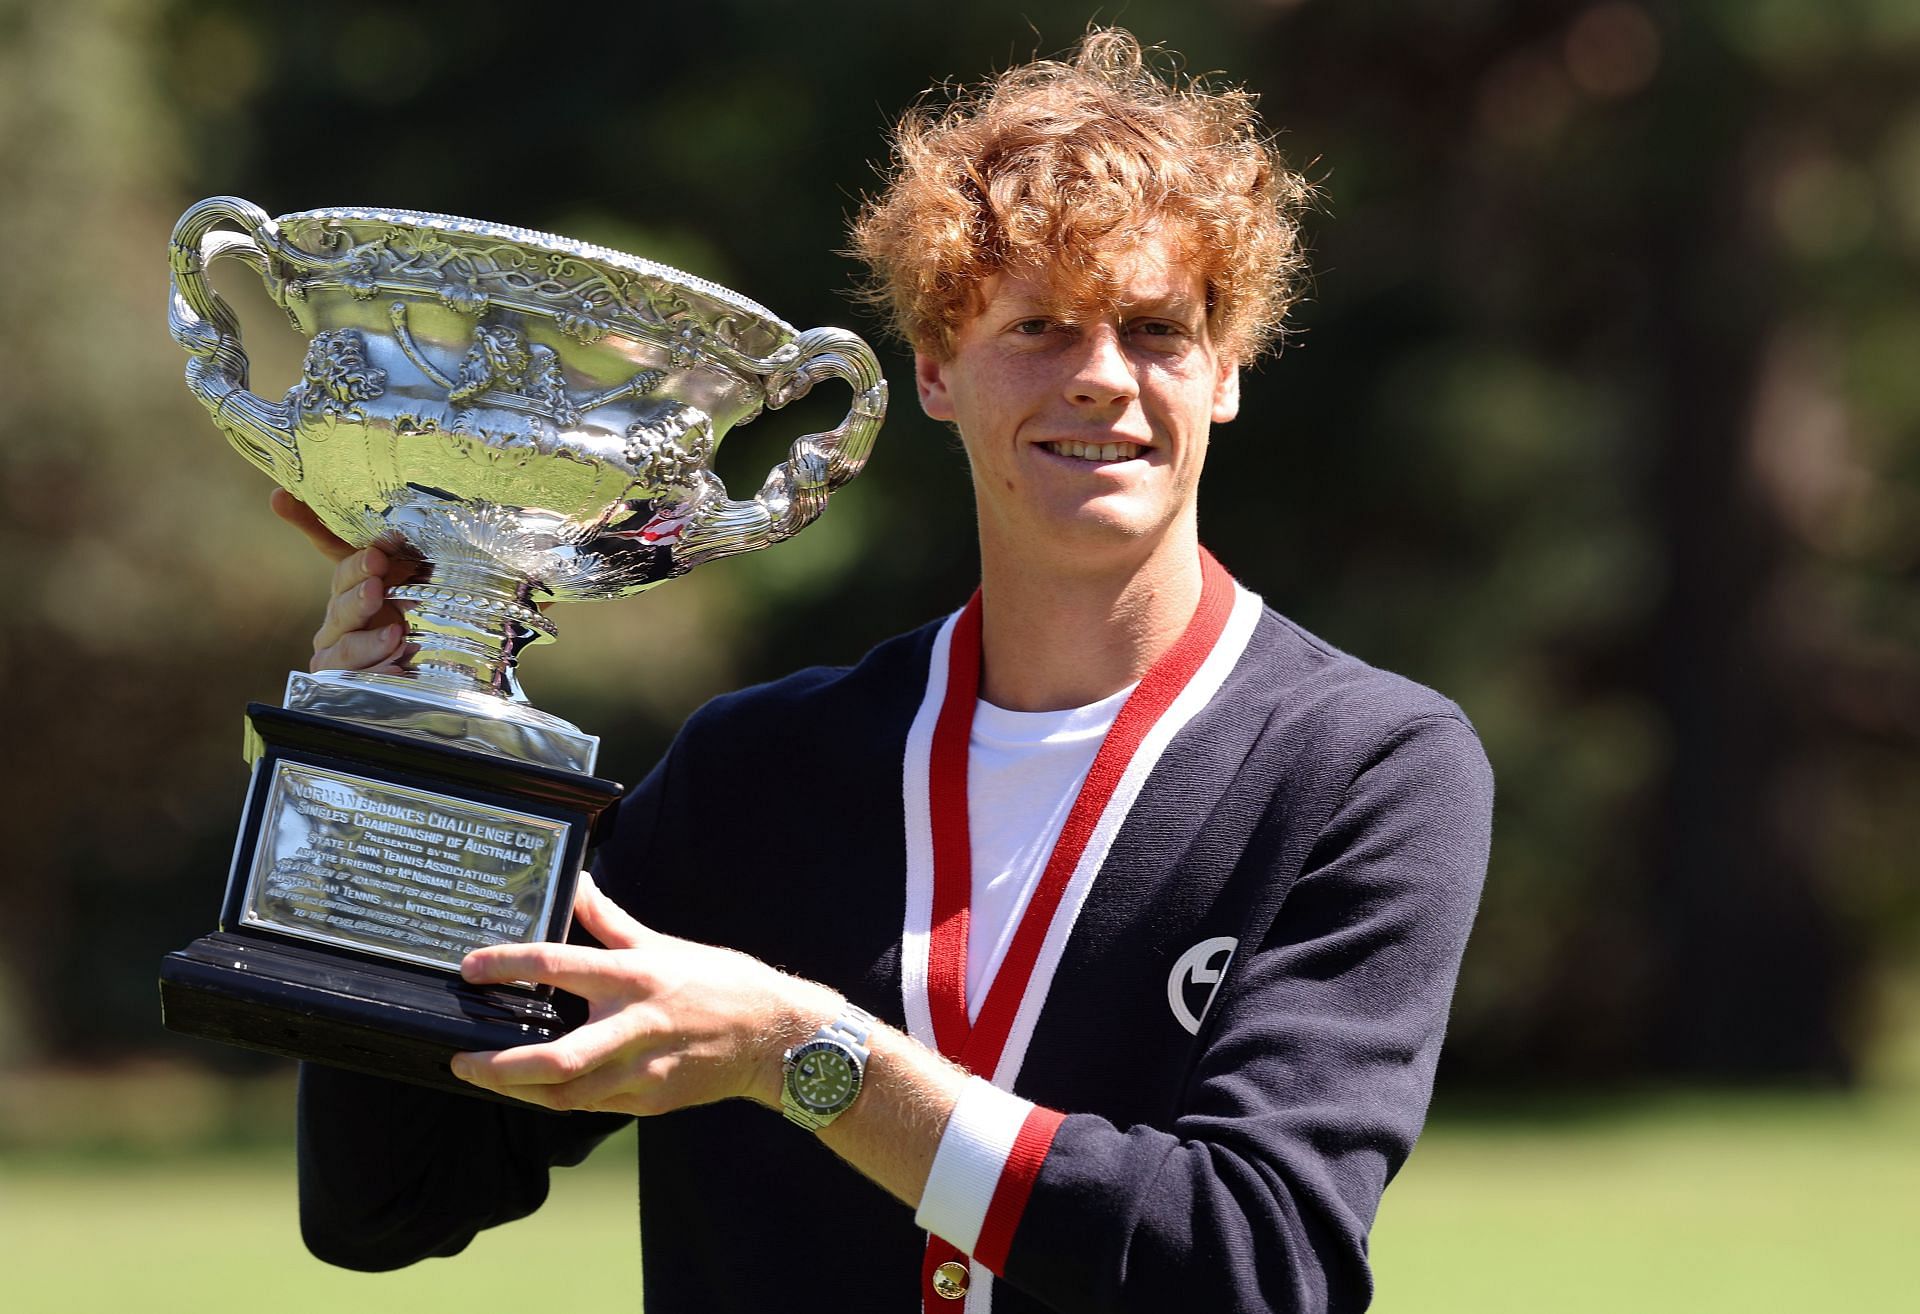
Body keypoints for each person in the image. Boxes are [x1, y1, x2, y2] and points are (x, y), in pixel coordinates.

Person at [285, 29, 1493, 1314]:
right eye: (1037, 327)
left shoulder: (1363, 765)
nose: (1100, 378)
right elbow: (385, 1201)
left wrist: (800, 1055)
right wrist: (400, 754)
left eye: (1155, 329)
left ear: (1226, 369)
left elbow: (1260, 1266)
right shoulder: (753, 774)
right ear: (933, 368)